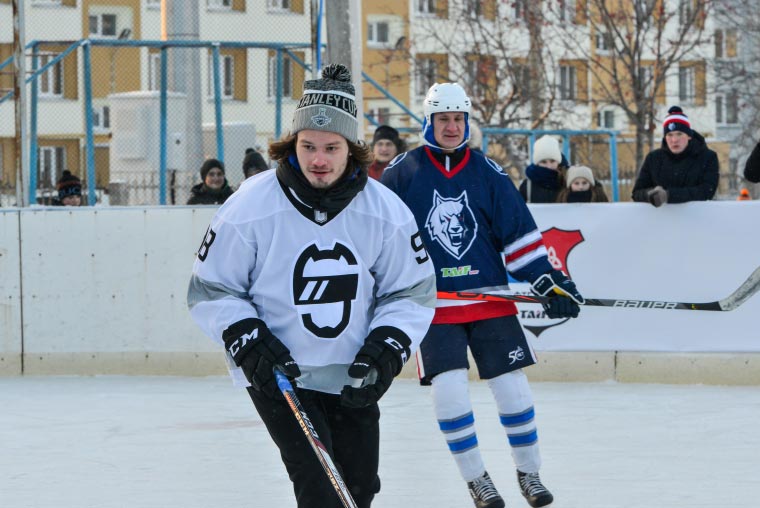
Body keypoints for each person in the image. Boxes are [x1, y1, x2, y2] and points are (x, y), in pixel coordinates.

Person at [187, 63, 436, 508]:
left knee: (358, 489)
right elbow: (211, 289)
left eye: (331, 147)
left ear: (351, 149)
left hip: (355, 370)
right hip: (280, 373)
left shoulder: (386, 211)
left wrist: (388, 346)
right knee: (320, 489)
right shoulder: (249, 206)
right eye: (307, 146)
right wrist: (249, 342)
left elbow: (411, 292)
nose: (318, 159)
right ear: (291, 145)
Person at [381, 82, 584, 508]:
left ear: (467, 121)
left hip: (490, 300)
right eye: (444, 119)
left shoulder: (488, 172)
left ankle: (529, 473)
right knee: (450, 391)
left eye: (458, 119)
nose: (452, 127)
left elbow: (519, 237)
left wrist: (547, 280)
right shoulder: (402, 173)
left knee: (513, 389)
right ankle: (477, 480)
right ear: (429, 122)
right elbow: (381, 241)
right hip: (434, 307)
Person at [632, 106, 719, 207]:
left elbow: (707, 191)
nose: (674, 140)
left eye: (679, 134)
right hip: (661, 220)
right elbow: (636, 193)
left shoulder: (707, 157)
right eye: (669, 135)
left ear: (689, 135)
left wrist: (668, 195)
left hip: (698, 219)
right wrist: (651, 194)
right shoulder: (653, 159)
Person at [519, 135, 570, 203]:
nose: (549, 166)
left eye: (552, 161)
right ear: (537, 163)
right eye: (543, 162)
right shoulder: (528, 186)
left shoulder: (569, 181)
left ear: (558, 161)